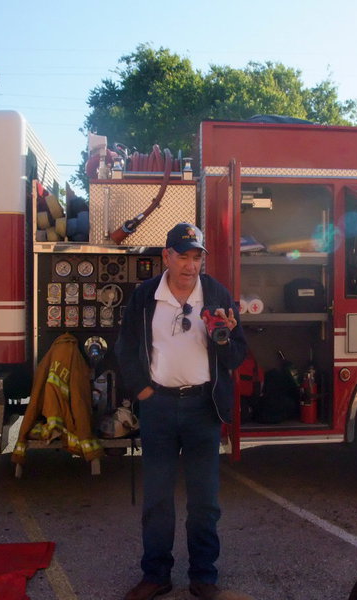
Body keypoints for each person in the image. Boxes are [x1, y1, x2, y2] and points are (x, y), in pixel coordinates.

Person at [116, 223, 247, 600]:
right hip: (158, 407)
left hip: (202, 408)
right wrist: (143, 390)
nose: (191, 266)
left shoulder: (217, 294)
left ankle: (203, 577)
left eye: (197, 257)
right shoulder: (145, 296)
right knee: (157, 498)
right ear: (167, 257)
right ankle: (156, 575)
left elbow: (237, 354)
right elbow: (126, 348)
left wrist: (223, 336)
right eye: (184, 256)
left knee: (204, 500)